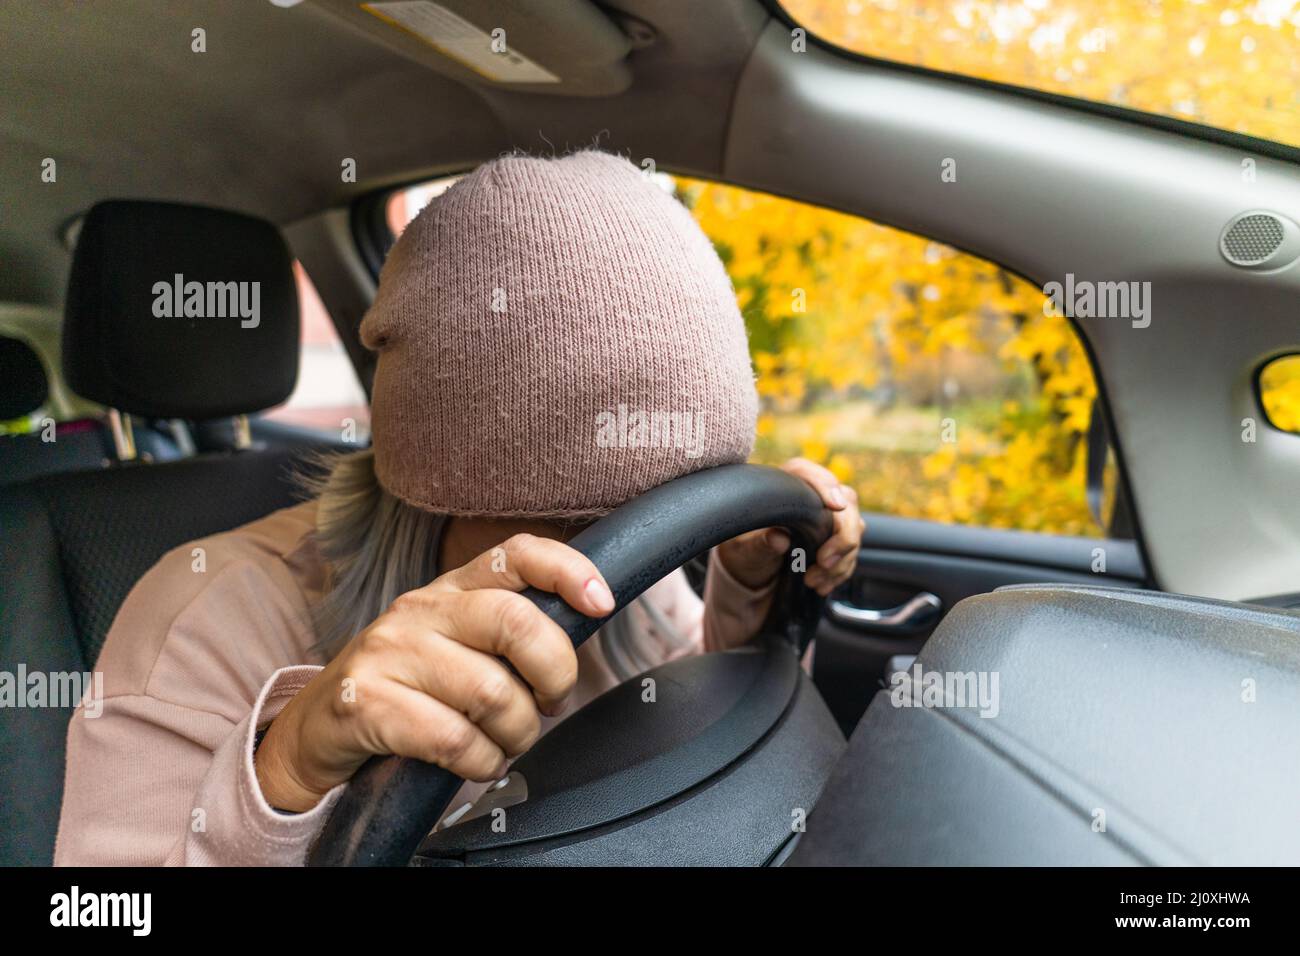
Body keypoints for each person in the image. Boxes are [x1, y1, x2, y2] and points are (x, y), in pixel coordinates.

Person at [54, 151, 863, 865]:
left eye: (665, 508)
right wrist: (288, 772)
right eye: (570, 519)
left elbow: (681, 713)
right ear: (446, 491)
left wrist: (749, 587)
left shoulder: (631, 571)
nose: (621, 558)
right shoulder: (205, 615)